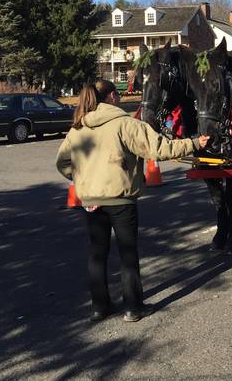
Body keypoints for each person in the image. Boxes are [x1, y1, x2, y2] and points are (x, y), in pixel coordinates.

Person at [56, 79, 209, 323]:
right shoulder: (125, 124)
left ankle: (99, 306)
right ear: (113, 97)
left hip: (90, 199)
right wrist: (193, 143)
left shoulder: (78, 127)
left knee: (97, 252)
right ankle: (133, 306)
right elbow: (160, 148)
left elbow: (63, 162)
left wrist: (83, 176)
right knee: (128, 253)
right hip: (121, 198)